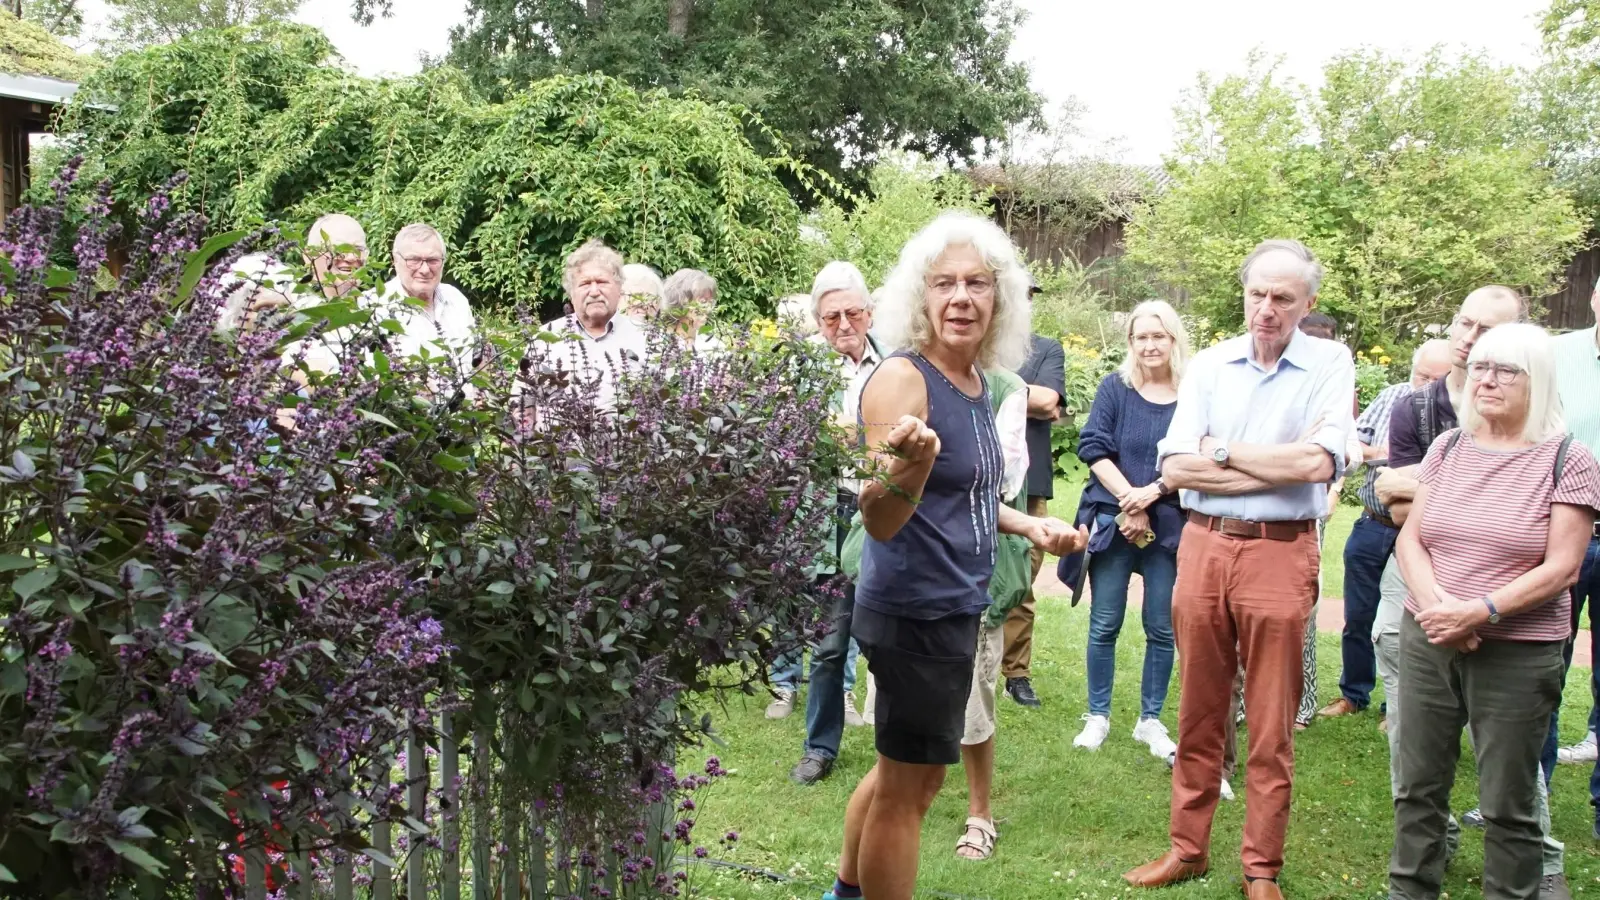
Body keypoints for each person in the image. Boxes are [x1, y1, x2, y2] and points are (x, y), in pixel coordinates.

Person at [822, 211, 1086, 900]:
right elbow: (877, 516)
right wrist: (908, 466)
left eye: (977, 283)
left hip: (952, 608)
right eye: (944, 283)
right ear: (921, 296)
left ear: (999, 300)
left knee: (899, 775)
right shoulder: (906, 380)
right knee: (909, 790)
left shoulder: (974, 385)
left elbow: (963, 497)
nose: (961, 297)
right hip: (913, 610)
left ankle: (845, 893)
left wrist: (1027, 528)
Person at [1124, 239, 1353, 900]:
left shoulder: (1329, 363)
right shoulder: (1212, 365)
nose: (1268, 309)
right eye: (1258, 294)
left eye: (1284, 298)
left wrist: (1219, 451)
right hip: (1202, 544)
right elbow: (1173, 468)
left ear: (1307, 303)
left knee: (1271, 720)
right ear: (1245, 294)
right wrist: (1267, 461)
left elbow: (1317, 465)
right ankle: (1187, 849)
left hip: (1281, 551)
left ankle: (1260, 870)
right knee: (1198, 708)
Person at [1389, 323, 1599, 900]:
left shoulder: (1568, 460)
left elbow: (1562, 568)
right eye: (1480, 366)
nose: (1487, 379)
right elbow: (1412, 539)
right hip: (1429, 636)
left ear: (1540, 380)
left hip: (1517, 654)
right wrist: (1439, 612)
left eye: (1507, 370)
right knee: (1417, 789)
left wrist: (1478, 613)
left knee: (1507, 803)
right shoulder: (1448, 447)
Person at [775, 261, 883, 785]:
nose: (843, 324)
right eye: (830, 317)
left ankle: (900, 745)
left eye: (852, 313)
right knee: (829, 642)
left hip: (882, 514)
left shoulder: (895, 365)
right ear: (817, 322)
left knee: (889, 636)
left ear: (870, 313)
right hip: (827, 515)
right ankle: (820, 747)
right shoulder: (803, 372)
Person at [1068, 300, 1190, 759]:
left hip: (1169, 523)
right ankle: (1097, 715)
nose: (1150, 345)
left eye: (1159, 336)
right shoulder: (1114, 389)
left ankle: (1150, 720)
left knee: (1161, 626)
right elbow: (1094, 446)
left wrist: (1152, 494)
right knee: (1105, 623)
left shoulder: (1192, 394)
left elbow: (1194, 456)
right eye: (1141, 336)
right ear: (1131, 342)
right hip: (1114, 520)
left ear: (1173, 340)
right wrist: (1130, 499)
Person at [1326, 340, 1454, 728]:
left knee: (1405, 621)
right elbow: (1354, 446)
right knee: (1358, 614)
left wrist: (1400, 477)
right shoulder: (1392, 397)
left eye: (1436, 378)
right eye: (1422, 376)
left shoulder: (1453, 412)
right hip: (1372, 523)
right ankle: (1354, 693)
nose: (1426, 385)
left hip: (1420, 531)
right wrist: (1380, 452)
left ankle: (1396, 704)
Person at [953, 364, 1032, 861]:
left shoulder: (1005, 388)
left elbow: (1002, 479)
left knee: (974, 697)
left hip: (978, 562)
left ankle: (979, 814)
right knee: (896, 705)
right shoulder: (902, 372)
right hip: (909, 572)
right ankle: (899, 801)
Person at [1002, 307, 1068, 708]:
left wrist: (999, 388)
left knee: (1022, 581)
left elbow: (1048, 401)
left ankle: (1017, 674)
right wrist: (1026, 393)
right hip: (982, 478)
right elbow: (1036, 398)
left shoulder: (1046, 348)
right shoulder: (980, 347)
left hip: (1032, 484)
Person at [1548, 280, 1600, 774]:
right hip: (1560, 530)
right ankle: (1527, 793)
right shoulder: (1556, 354)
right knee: (1542, 666)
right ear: (1593, 298)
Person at [538, 239, 648, 410]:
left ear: (619, 289)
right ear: (571, 293)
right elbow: (522, 407)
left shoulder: (647, 338)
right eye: (585, 284)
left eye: (602, 282)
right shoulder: (543, 339)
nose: (595, 292)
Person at [380, 223, 478, 387]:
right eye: (414, 260)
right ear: (395, 261)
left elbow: (477, 359)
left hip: (466, 411)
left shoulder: (456, 300)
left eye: (433, 260)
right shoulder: (376, 307)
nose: (424, 269)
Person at [660, 268, 718, 349]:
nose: (708, 308)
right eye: (703, 301)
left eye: (711, 302)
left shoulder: (713, 346)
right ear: (682, 301)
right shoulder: (659, 340)